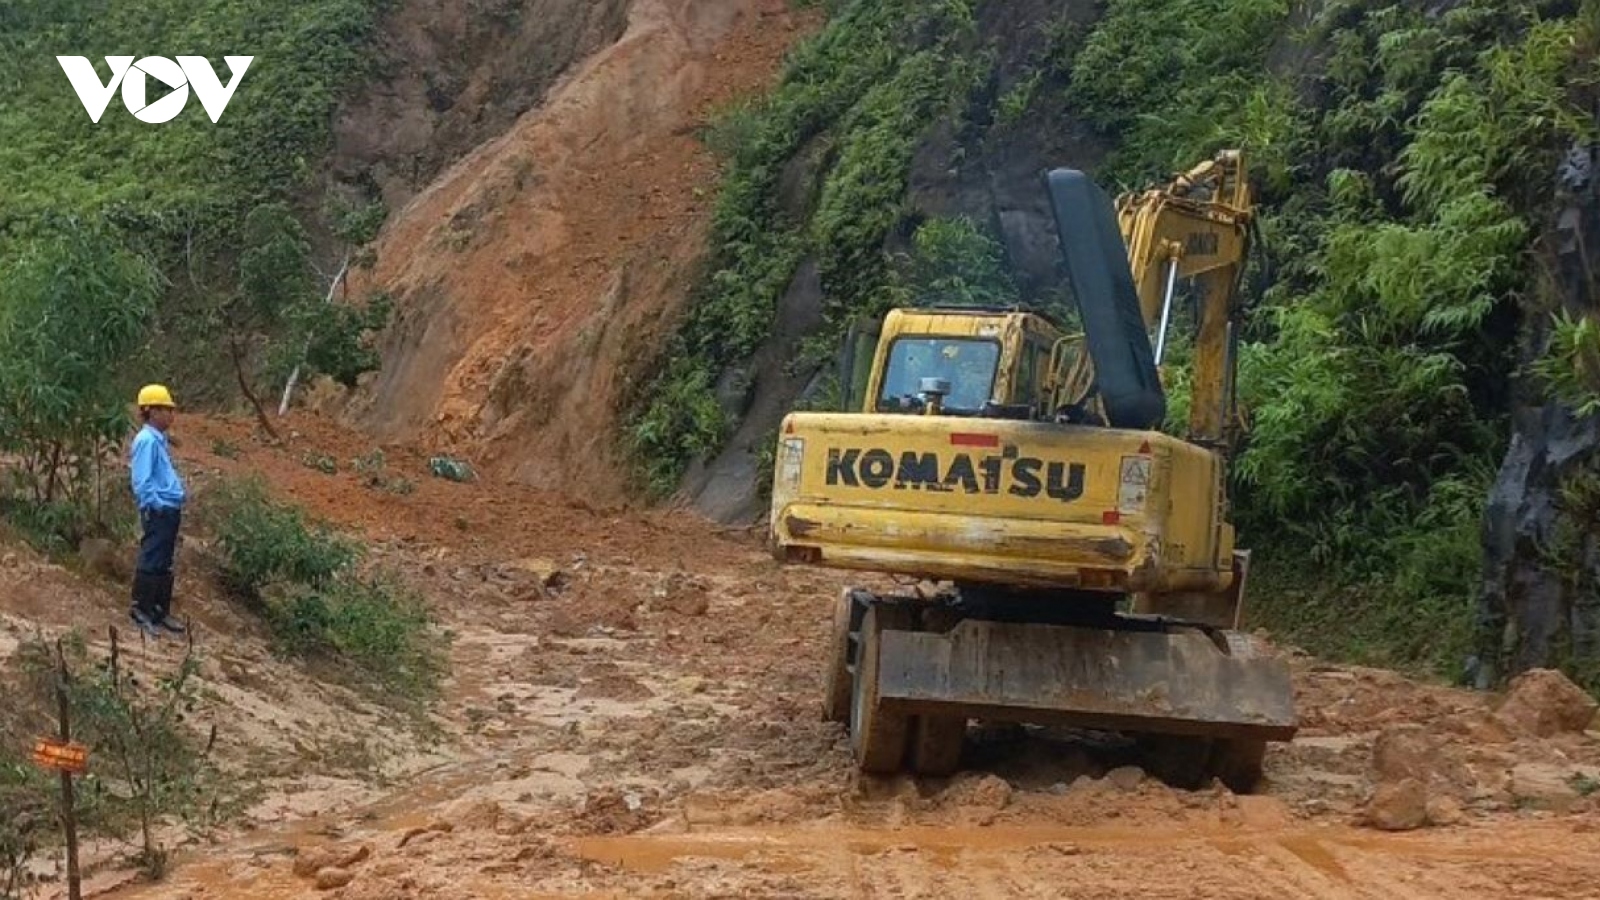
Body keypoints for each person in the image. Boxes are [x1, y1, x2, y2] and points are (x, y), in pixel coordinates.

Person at [129, 384, 187, 637]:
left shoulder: (158, 440)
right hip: (159, 510)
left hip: (169, 508)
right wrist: (156, 504)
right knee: (152, 557)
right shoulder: (146, 441)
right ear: (151, 411)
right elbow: (142, 480)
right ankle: (141, 609)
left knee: (164, 560)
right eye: (165, 409)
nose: (170, 415)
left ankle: (159, 610)